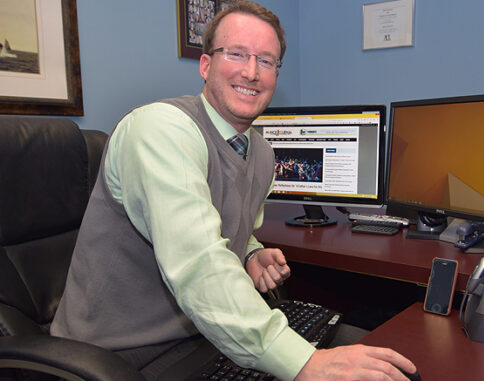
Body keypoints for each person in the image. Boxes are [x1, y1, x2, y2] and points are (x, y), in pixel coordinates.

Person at [51, 1, 416, 380]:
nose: (251, 71)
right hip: (116, 356)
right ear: (206, 65)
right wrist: (306, 364)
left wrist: (250, 254)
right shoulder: (160, 130)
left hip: (202, 333)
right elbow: (200, 265)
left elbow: (228, 227)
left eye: (267, 60)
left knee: (375, 354)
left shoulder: (259, 151)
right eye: (237, 54)